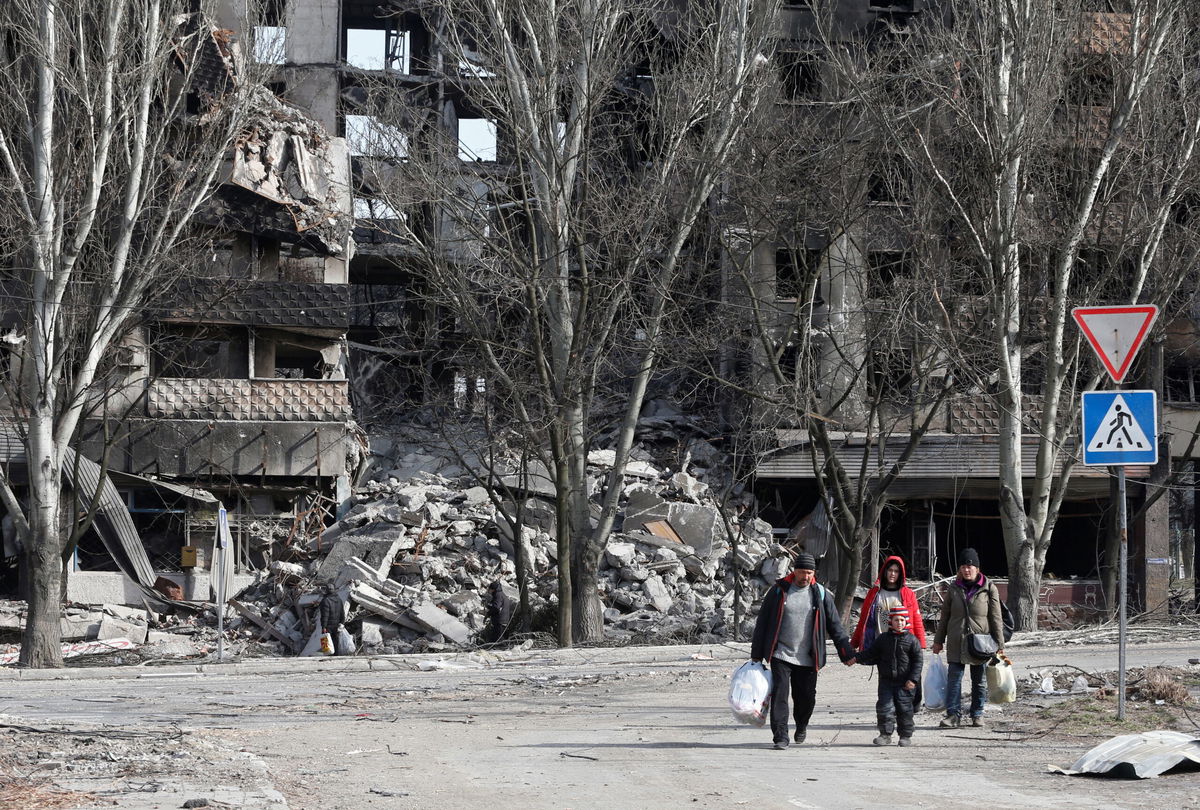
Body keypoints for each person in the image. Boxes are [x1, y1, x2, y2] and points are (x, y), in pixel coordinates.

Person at [750, 552, 855, 750]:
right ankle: (780, 736)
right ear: (794, 571)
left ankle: (801, 724)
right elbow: (762, 623)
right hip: (781, 653)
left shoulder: (820, 593)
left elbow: (835, 626)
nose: (805, 577)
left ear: (813, 573)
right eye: (801, 572)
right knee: (780, 694)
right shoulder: (779, 591)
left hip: (809, 656)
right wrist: (756, 655)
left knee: (806, 698)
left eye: (809, 573)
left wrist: (846, 652)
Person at [931, 548, 1005, 728]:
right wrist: (938, 641)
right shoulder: (954, 588)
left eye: (970, 566)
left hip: (980, 642)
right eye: (963, 566)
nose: (966, 570)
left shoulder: (989, 588)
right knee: (954, 680)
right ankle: (953, 715)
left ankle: (977, 714)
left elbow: (996, 617)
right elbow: (945, 616)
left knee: (979, 681)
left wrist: (1000, 644)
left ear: (977, 568)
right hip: (957, 641)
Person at [852, 605, 923, 747]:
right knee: (885, 708)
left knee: (905, 709)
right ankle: (885, 734)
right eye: (896, 620)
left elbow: (918, 662)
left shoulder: (912, 640)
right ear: (891, 622)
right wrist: (854, 658)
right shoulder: (883, 639)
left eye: (902, 620)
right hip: (886, 682)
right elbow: (870, 653)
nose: (899, 623)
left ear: (906, 621)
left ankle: (905, 735)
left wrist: (913, 679)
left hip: (905, 683)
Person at [850, 555, 928, 653]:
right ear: (885, 571)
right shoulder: (874, 593)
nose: (892, 574)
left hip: (901, 646)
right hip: (879, 645)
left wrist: (921, 644)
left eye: (896, 571)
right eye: (890, 570)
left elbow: (917, 621)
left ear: (900, 574)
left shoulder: (908, 594)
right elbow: (863, 621)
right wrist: (854, 644)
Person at [319, 584, 346, 655]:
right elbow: (342, 613)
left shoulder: (325, 600)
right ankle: (336, 655)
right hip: (337, 625)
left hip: (328, 625)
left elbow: (325, 615)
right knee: (335, 641)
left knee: (326, 642)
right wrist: (342, 622)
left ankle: (328, 656)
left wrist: (324, 627)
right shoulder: (339, 599)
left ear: (326, 590)